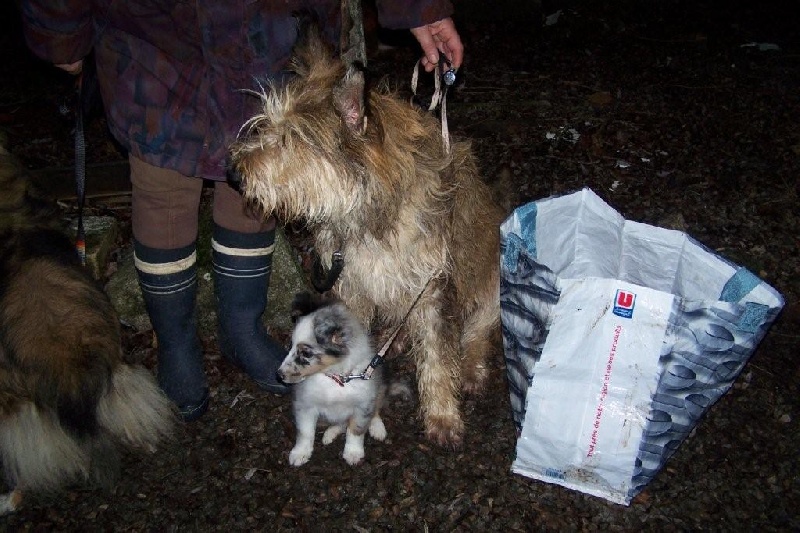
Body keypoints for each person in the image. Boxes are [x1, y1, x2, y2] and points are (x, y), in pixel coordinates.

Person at [19, 1, 464, 422]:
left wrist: (418, 8)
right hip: (153, 38)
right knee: (163, 185)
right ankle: (175, 344)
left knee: (258, 182)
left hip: (261, 32)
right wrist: (60, 31)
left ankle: (241, 329)